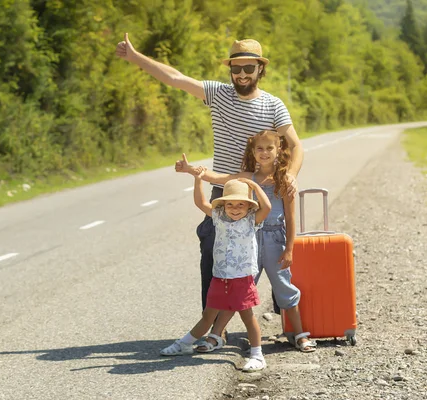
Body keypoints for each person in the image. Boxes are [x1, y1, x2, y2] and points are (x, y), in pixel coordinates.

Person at [115, 34, 305, 314]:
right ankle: (213, 320)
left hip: (267, 190)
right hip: (226, 189)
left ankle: (287, 319)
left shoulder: (273, 105)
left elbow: (296, 145)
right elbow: (175, 78)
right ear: (230, 69)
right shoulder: (217, 94)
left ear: (260, 70)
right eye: (236, 68)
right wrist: (135, 57)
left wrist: (290, 175)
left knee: (274, 248)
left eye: (248, 68)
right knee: (214, 251)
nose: (241, 74)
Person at [177, 130, 316, 353]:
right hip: (247, 242)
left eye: (269, 148)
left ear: (279, 150)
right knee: (236, 288)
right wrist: (190, 170)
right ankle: (215, 335)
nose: (264, 153)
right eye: (259, 148)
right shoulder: (246, 178)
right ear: (253, 152)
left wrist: (289, 249)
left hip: (274, 239)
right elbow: (217, 178)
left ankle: (299, 335)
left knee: (283, 287)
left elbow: (290, 218)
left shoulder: (285, 181)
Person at [159, 174, 272, 372]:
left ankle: (257, 355)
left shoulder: (252, 220)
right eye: (230, 204)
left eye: (240, 205)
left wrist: (254, 185)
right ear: (223, 205)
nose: (235, 209)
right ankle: (185, 344)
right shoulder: (218, 216)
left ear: (248, 206)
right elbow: (200, 202)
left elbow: (268, 207)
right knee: (208, 316)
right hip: (220, 277)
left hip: (242, 278)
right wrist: (197, 179)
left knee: (248, 317)